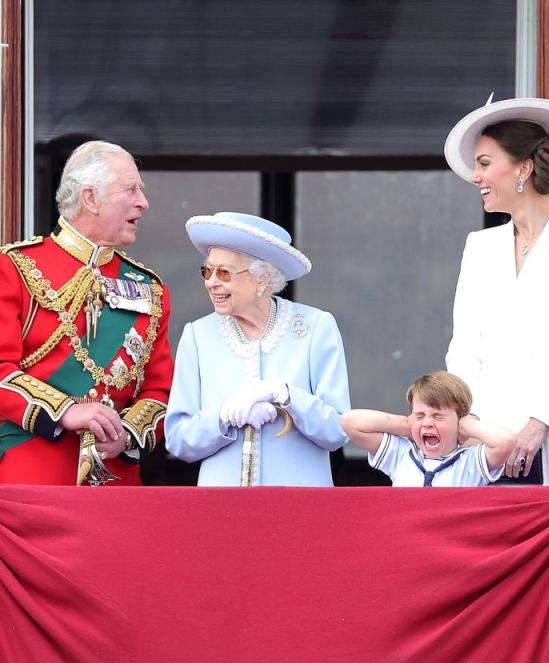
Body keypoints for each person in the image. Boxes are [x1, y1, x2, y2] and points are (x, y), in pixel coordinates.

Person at [444, 97, 549, 486]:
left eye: (485, 163)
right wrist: (472, 424)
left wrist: (540, 423)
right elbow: (464, 346)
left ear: (523, 167)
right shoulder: (479, 246)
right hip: (483, 447)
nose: (475, 177)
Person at [0, 140, 172, 485]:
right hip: (28, 480)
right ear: (91, 198)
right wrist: (66, 412)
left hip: (116, 485)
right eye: (131, 189)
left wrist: (127, 434)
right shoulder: (14, 267)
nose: (144, 202)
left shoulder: (150, 288)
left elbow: (161, 392)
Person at [165, 212, 350, 486]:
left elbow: (337, 432)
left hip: (300, 508)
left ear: (262, 279)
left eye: (224, 272)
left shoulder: (315, 327)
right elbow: (178, 440)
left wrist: (288, 396)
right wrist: (223, 416)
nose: (211, 281)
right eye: (207, 270)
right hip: (222, 508)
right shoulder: (198, 335)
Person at [341, 371, 514, 487]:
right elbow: (349, 422)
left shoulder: (469, 462)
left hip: (448, 540)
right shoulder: (401, 454)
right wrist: (407, 425)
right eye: (420, 415)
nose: (428, 423)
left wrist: (467, 426)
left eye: (438, 416)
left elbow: (506, 441)